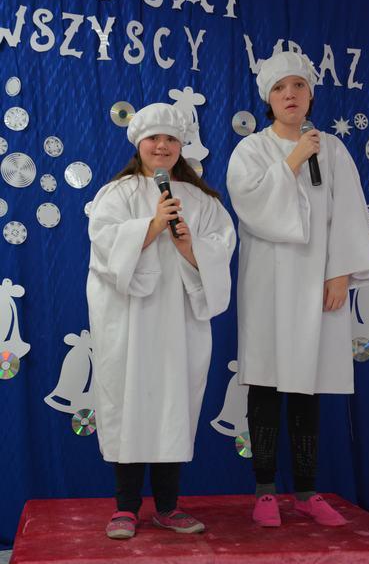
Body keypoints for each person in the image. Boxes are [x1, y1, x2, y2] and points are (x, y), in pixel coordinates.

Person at [226, 51, 369, 528]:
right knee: (266, 382)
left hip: (317, 282)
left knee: (308, 385)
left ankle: (308, 492)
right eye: (279, 88)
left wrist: (341, 273)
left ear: (311, 94)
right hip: (268, 283)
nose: (289, 94)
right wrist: (292, 159)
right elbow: (252, 206)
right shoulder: (252, 150)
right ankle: (265, 492)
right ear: (268, 98)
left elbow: (348, 212)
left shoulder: (332, 149)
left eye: (297, 86)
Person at [87, 103, 236, 538]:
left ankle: (168, 507)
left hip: (178, 322)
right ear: (139, 143)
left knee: (174, 403)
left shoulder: (203, 201)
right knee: (129, 401)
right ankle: (126, 507)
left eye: (171, 139)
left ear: (181, 145)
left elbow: (221, 249)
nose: (162, 146)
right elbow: (104, 248)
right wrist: (151, 227)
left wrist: (191, 247)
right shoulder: (116, 194)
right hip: (130, 322)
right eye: (154, 138)